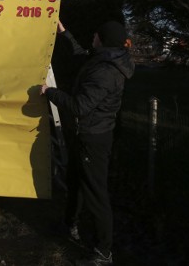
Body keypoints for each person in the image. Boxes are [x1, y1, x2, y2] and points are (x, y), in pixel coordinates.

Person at [41, 20, 134, 266]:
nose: (93, 36)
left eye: (96, 34)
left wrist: (48, 91)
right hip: (86, 135)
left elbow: (79, 106)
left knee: (96, 194)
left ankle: (104, 253)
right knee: (75, 182)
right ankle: (68, 225)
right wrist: (63, 32)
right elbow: (80, 54)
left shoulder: (105, 72)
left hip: (93, 139)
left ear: (102, 40)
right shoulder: (105, 59)